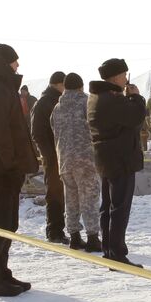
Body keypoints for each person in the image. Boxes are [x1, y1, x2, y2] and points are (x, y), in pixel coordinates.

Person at [0, 44, 39, 297]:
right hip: (0, 170)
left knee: (8, 223)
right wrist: (11, 163)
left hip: (6, 169)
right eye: (14, 61)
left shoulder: (3, 88)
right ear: (4, 63)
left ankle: (1, 271)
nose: (18, 65)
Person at [89, 58, 147, 266]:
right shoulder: (112, 99)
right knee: (119, 207)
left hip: (108, 158)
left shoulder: (98, 97)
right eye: (123, 75)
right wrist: (137, 98)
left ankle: (109, 248)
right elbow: (135, 117)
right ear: (115, 77)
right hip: (119, 158)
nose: (125, 79)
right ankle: (116, 251)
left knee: (109, 205)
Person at [50, 73, 102, 253]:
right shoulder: (87, 104)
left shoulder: (57, 107)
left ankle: (74, 236)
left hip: (64, 160)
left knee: (71, 199)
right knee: (89, 199)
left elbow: (53, 130)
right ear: (81, 87)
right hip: (85, 159)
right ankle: (93, 237)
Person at [30, 71, 66, 244]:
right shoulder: (45, 102)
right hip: (53, 156)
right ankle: (54, 230)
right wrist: (49, 154)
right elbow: (36, 132)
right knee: (54, 192)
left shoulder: (56, 100)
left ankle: (59, 228)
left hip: (61, 154)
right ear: (59, 84)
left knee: (60, 192)